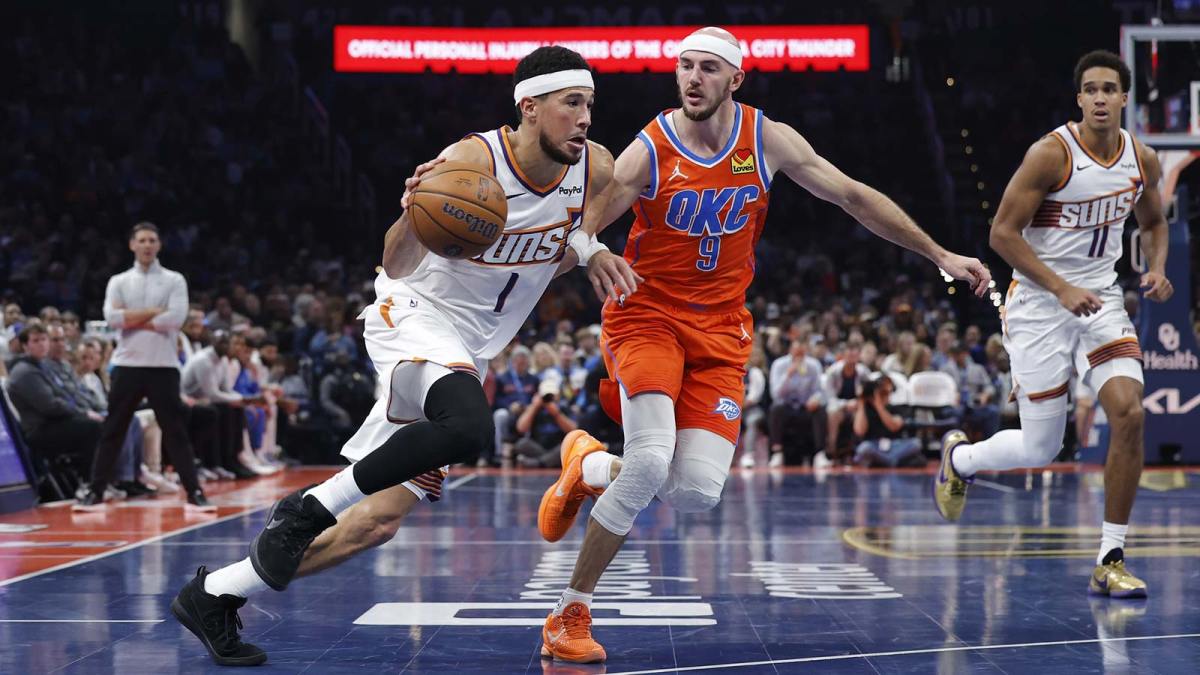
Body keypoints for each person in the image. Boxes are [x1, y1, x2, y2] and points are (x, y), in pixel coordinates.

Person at [169, 46, 640, 667]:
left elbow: (585, 226)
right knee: (469, 426)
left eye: (589, 105)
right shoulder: (472, 161)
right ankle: (305, 509)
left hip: (471, 346)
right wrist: (414, 212)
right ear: (530, 108)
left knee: (376, 524)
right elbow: (393, 262)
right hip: (413, 315)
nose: (585, 118)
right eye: (571, 104)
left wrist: (591, 250)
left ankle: (215, 594)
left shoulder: (597, 167)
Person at [534, 26, 990, 664]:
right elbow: (585, 223)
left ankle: (584, 467)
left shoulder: (765, 139)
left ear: (735, 79)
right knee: (646, 460)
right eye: (685, 67)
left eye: (708, 69)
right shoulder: (650, 148)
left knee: (695, 491)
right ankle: (568, 613)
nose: (692, 78)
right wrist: (581, 252)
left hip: (721, 329)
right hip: (647, 315)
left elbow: (852, 196)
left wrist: (939, 252)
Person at [933, 50, 1173, 599]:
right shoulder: (1050, 154)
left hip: (1102, 300)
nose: (1099, 98)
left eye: (1109, 89)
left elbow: (1154, 221)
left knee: (1129, 413)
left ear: (1124, 98)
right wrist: (1060, 287)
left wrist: (1155, 267)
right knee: (1043, 447)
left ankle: (1110, 557)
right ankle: (961, 459)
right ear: (1079, 99)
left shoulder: (1144, 159)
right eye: (1089, 89)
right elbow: (1001, 234)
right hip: (1040, 305)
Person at [76, 223, 210, 511]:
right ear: (132, 245)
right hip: (127, 364)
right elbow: (112, 319)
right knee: (113, 428)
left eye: (152, 240)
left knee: (175, 432)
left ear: (159, 245)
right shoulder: (119, 281)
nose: (147, 245)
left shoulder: (174, 280)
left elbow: (174, 319)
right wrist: (152, 314)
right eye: (141, 240)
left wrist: (131, 318)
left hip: (163, 366)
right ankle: (95, 491)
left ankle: (194, 492)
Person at [852, 372, 923, 468]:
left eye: (887, 393)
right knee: (864, 448)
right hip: (874, 445)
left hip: (895, 445)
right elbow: (859, 431)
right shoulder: (865, 409)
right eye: (882, 393)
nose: (885, 396)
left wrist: (879, 406)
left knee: (915, 444)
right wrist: (861, 402)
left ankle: (883, 461)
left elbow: (894, 426)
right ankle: (892, 462)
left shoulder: (898, 407)